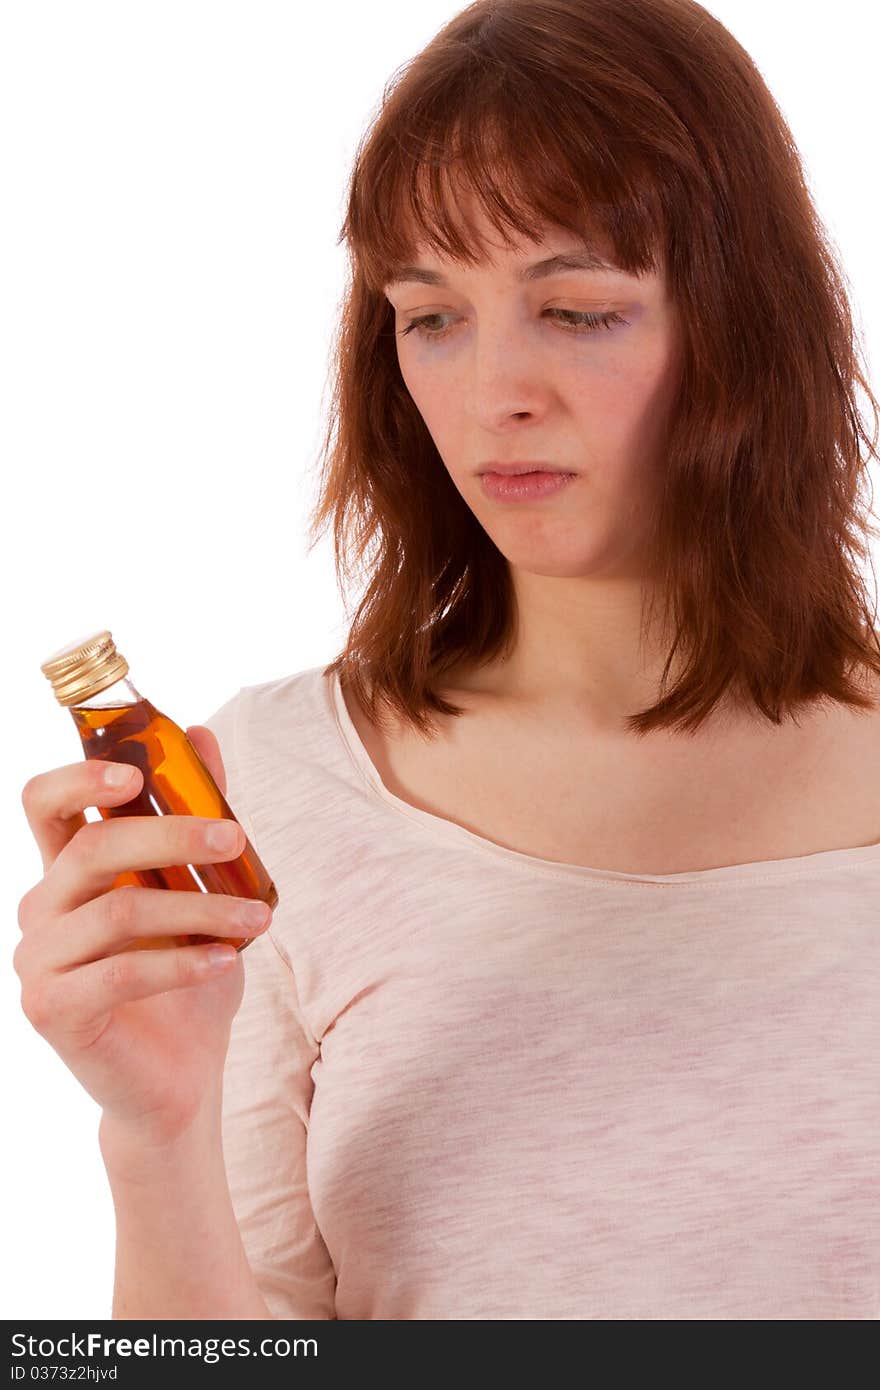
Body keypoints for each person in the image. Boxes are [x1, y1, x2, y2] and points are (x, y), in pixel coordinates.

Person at [16, 0, 880, 1320]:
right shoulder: (267, 787)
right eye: (432, 317)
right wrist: (156, 1131)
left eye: (578, 310)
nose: (492, 397)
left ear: (748, 329)